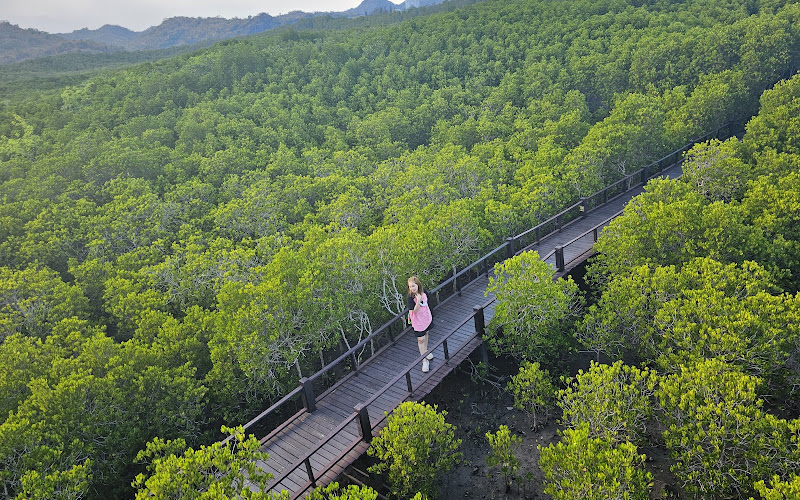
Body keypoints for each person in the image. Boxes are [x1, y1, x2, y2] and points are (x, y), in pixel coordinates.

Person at [407, 276, 434, 372]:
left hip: (425, 318)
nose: (412, 288)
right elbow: (415, 310)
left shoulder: (424, 292)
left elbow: (429, 302)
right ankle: (424, 360)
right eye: (410, 287)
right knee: (420, 339)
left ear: (418, 285)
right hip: (417, 321)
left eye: (413, 286)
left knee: (426, 333)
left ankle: (426, 351)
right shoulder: (410, 298)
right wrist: (418, 300)